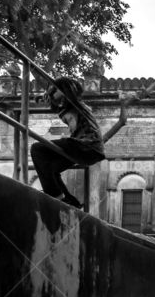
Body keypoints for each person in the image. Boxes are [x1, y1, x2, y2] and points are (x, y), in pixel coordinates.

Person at [31, 77, 105, 208]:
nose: (52, 95)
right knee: (51, 168)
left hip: (86, 145)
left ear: (65, 91)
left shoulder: (76, 104)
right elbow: (56, 104)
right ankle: (71, 202)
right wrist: (44, 98)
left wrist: (54, 90)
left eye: (54, 91)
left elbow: (70, 89)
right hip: (87, 151)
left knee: (37, 149)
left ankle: (55, 196)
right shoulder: (64, 108)